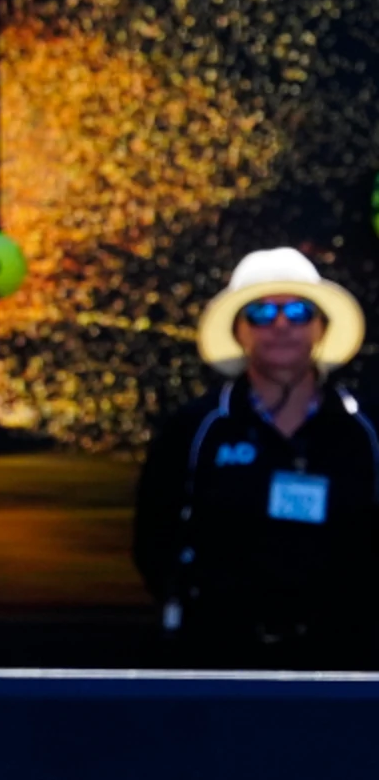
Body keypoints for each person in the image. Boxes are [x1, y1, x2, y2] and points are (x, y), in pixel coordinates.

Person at [134, 248, 379, 669]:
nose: (281, 325)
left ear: (321, 327)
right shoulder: (194, 431)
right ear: (239, 332)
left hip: (344, 668)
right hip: (218, 662)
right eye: (261, 313)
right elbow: (153, 541)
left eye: (299, 311)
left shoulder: (366, 433)